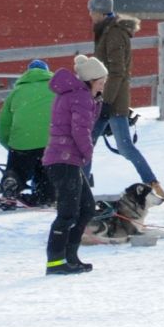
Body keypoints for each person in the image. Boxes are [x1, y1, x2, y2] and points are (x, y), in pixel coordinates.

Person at [89, 0, 163, 197]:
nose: (91, 15)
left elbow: (117, 72)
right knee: (103, 145)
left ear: (101, 13)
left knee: (100, 145)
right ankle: (152, 182)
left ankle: (152, 182)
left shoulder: (113, 34)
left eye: (93, 11)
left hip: (111, 100)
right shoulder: (107, 31)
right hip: (107, 99)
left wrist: (105, 102)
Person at [44, 54, 106, 276]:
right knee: (68, 213)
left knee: (87, 207)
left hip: (68, 159)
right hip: (63, 159)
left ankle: (70, 256)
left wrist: (97, 102)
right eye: (100, 83)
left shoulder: (80, 96)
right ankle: (55, 262)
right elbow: (80, 130)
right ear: (90, 80)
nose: (102, 87)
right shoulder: (79, 97)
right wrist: (88, 153)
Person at [0, 59, 57, 203]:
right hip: (50, 143)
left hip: (22, 142)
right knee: (46, 174)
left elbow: (3, 125)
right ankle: (46, 195)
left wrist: (11, 146)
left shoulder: (16, 92)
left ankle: (12, 181)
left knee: (17, 168)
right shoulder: (56, 90)